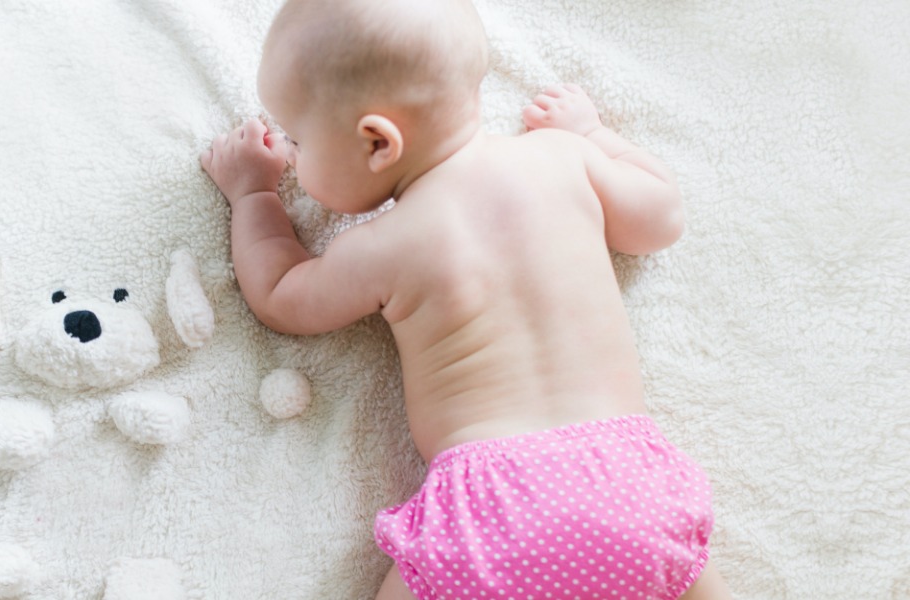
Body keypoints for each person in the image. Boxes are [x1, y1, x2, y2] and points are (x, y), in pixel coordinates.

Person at [199, 0, 730, 598]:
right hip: (627, 486)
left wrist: (253, 194)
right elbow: (661, 219)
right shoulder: (561, 158)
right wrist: (593, 134)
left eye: (298, 139)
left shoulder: (381, 247)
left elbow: (279, 296)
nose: (291, 155)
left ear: (378, 143)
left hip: (493, 509)